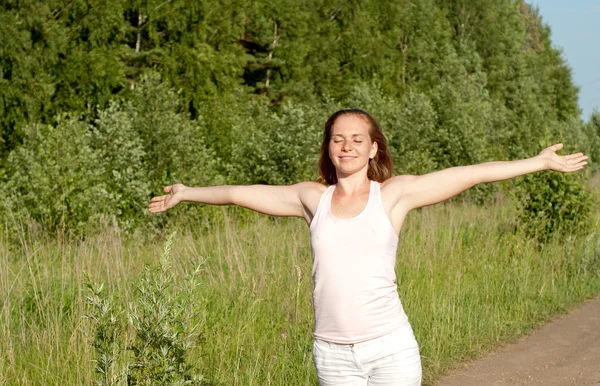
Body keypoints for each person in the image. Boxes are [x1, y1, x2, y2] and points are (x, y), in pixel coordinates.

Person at [148, 108, 588, 386]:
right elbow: (240, 193)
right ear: (328, 147)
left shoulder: (393, 195)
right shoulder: (311, 198)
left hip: (389, 350)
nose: (347, 146)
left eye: (357, 139)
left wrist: (539, 162)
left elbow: (469, 173)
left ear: (373, 147)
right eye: (338, 138)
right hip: (332, 355)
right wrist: (188, 192)